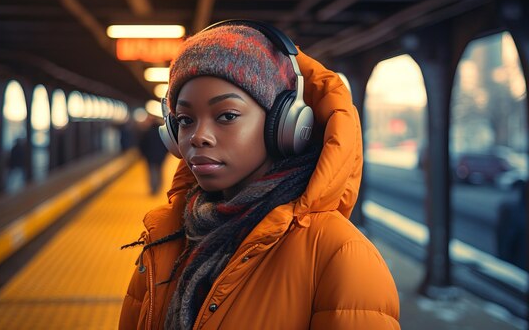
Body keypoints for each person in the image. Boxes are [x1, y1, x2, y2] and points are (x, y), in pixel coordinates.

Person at [119, 20, 400, 329]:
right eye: (185, 119)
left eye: (226, 115)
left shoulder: (339, 256)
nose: (198, 137)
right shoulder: (164, 240)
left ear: (286, 126)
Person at [137, 116, 169, 196]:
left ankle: (153, 188)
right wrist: (165, 154)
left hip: (150, 156)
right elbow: (167, 145)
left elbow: (142, 144)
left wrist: (144, 154)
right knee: (159, 171)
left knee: (152, 172)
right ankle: (158, 187)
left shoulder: (147, 132)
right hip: (160, 156)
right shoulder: (162, 133)